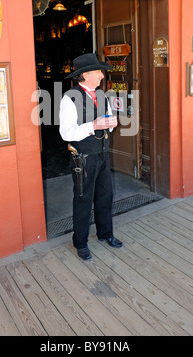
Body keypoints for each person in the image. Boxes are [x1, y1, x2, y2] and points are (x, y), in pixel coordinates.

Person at [59, 53, 123, 261]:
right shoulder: (69, 98)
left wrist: (110, 125)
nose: (102, 76)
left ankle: (106, 234)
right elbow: (66, 133)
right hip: (83, 157)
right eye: (98, 72)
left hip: (102, 153)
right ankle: (80, 242)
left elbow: (105, 124)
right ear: (86, 75)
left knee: (106, 195)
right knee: (83, 199)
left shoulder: (102, 95)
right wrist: (93, 126)